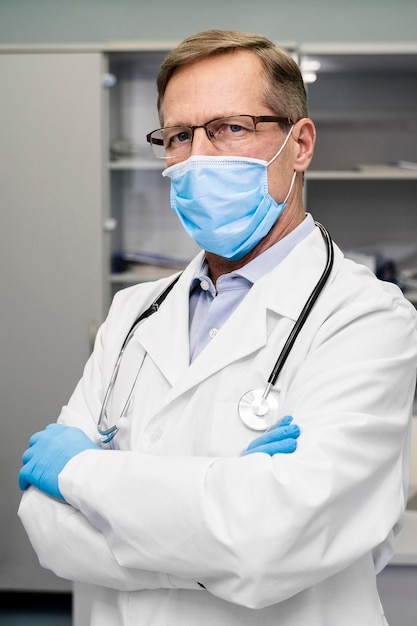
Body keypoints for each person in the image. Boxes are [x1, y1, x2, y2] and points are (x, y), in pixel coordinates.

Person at [18, 29, 417, 626]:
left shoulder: (368, 317)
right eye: (179, 136)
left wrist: (79, 471)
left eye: (230, 127)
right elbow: (47, 529)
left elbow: (270, 539)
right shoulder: (132, 314)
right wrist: (226, 510)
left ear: (299, 143)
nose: (199, 156)